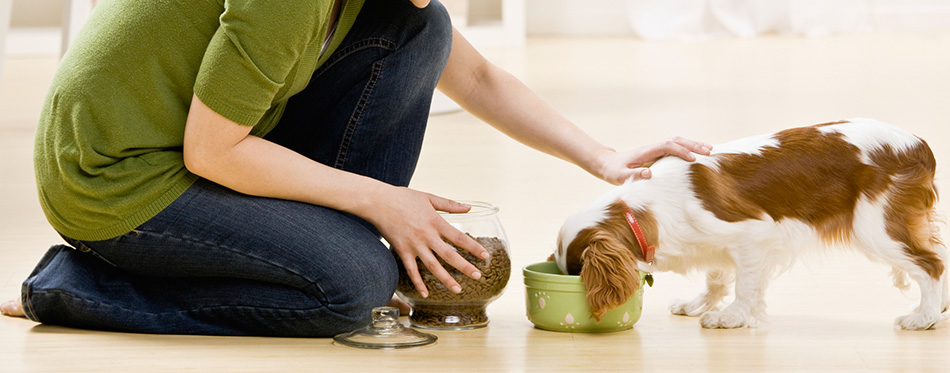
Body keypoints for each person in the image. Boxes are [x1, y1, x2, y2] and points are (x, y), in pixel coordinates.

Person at [1, 0, 711, 336]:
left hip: (197, 143)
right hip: (114, 178)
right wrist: (380, 201)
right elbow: (210, 152)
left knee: (419, 33)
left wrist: (603, 158)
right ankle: (74, 286)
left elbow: (481, 79)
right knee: (351, 290)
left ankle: (324, 240)